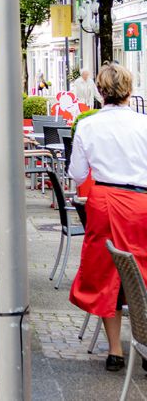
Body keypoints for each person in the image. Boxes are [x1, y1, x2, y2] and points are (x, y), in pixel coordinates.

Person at [68, 63, 147, 372]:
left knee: (106, 273)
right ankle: (143, 342)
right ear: (129, 90)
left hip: (105, 203)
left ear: (100, 91)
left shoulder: (88, 126)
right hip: (141, 202)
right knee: (141, 270)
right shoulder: (144, 124)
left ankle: (115, 350)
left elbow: (76, 174)